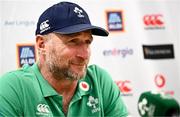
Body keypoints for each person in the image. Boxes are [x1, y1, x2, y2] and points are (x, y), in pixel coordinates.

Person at [0, 1, 128, 117]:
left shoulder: (99, 81)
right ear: (42, 44)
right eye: (73, 41)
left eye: (87, 42)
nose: (84, 55)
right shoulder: (13, 88)